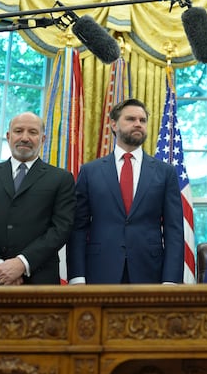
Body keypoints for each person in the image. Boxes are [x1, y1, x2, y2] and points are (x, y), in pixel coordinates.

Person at [67, 98, 184, 284]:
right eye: (130, 119)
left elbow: (174, 230)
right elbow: (78, 228)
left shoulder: (165, 172)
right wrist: (76, 276)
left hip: (150, 272)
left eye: (142, 120)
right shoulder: (90, 171)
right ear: (114, 124)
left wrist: (171, 280)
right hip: (99, 271)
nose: (138, 124)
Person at [0, 112, 75, 285]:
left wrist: (22, 263)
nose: (25, 137)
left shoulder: (61, 178)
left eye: (33, 132)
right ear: (8, 136)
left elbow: (61, 228)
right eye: (18, 131)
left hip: (39, 280)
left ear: (43, 139)